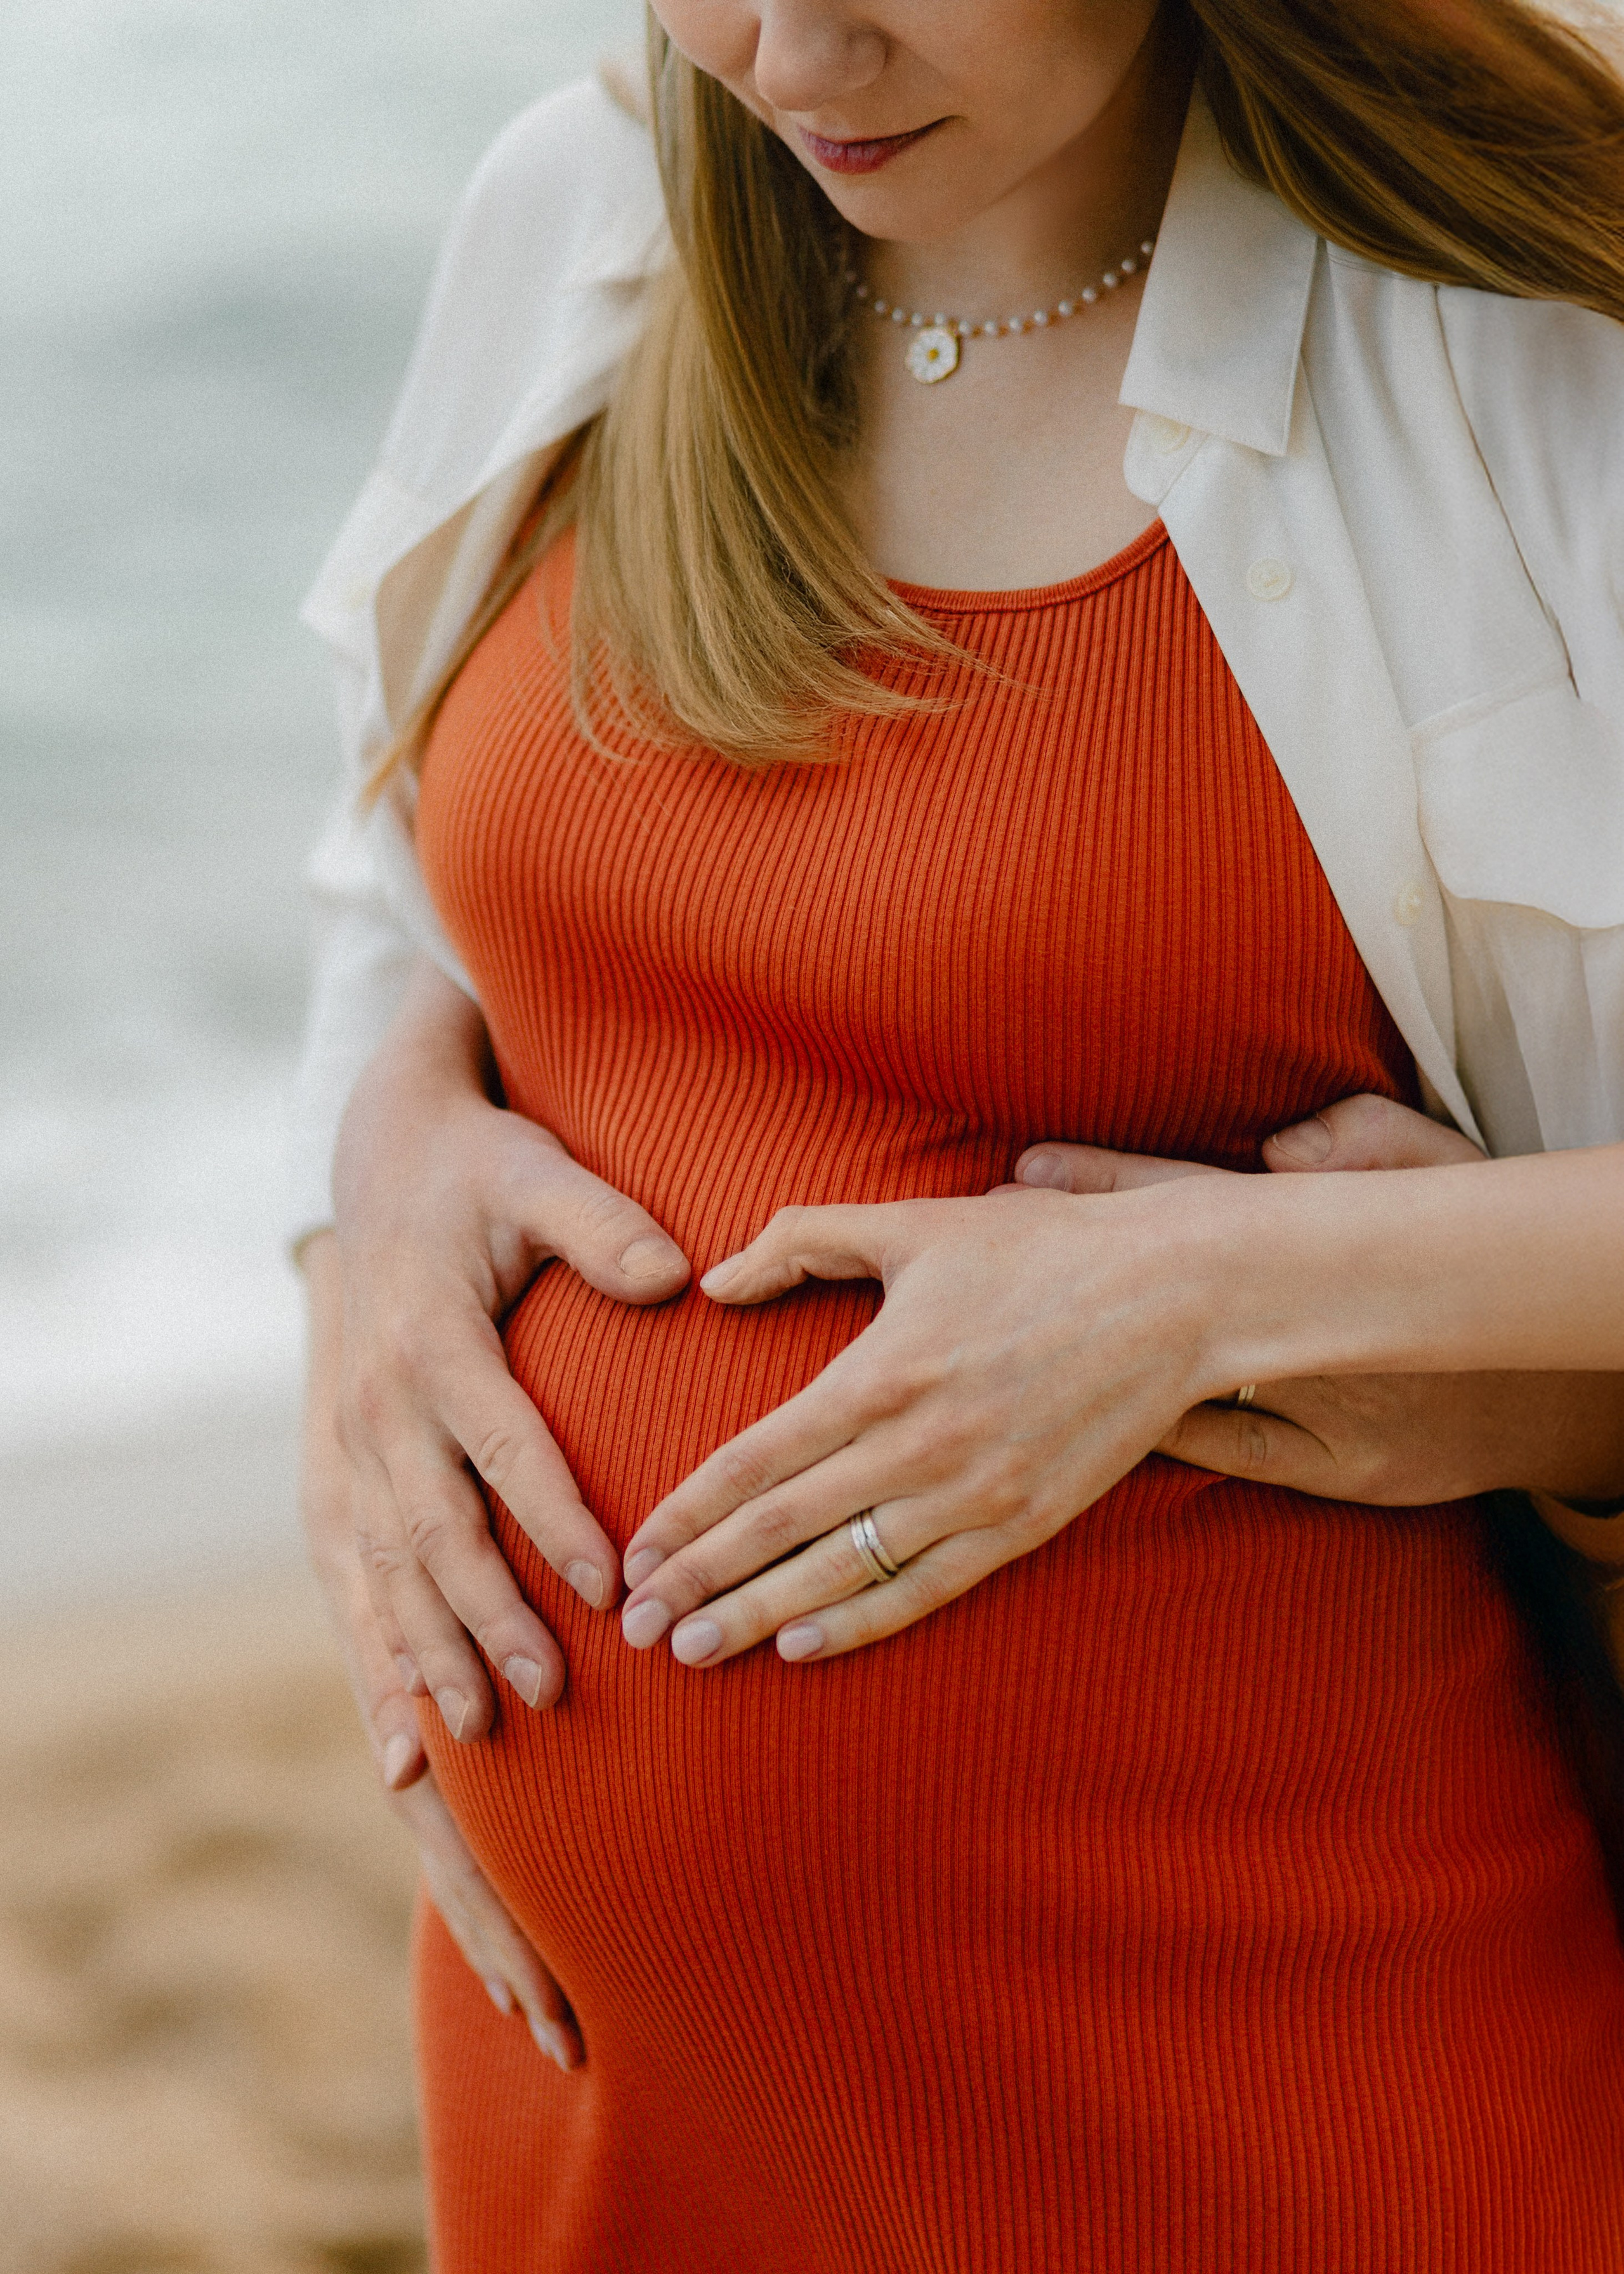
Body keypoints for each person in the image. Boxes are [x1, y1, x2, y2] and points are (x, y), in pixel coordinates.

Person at [293, 1, 1624, 2264]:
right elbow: (398, 874)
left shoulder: (1521, 326)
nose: (789, 51)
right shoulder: (587, 209)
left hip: (1289, 2060)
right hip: (610, 2111)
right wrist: (370, 1217)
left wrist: (1211, 1289)